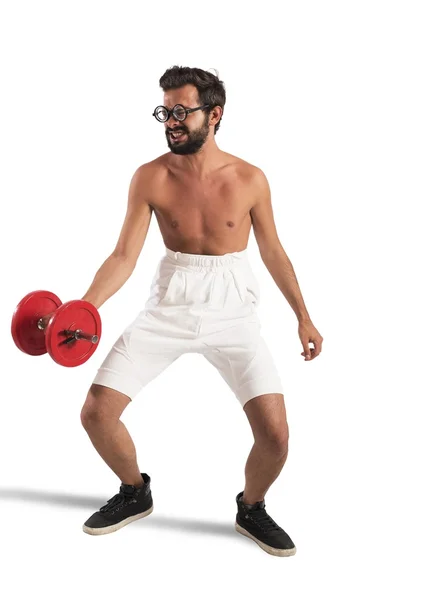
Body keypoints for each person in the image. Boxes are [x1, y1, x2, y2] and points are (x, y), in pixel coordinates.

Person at [78, 66, 323, 557]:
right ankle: (134, 491)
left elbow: (273, 250)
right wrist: (84, 309)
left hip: (233, 309)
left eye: (182, 111)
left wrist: (303, 315)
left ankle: (251, 507)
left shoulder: (250, 178)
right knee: (96, 414)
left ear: (214, 115)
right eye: (166, 111)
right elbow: (124, 255)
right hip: (169, 302)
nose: (171, 120)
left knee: (276, 435)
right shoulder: (149, 176)